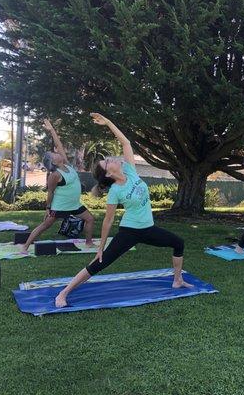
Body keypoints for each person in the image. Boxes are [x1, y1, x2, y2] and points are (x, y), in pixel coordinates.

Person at [55, 113, 191, 308]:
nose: (111, 159)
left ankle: (177, 280)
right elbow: (108, 221)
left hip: (149, 228)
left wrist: (108, 123)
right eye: (107, 162)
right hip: (129, 231)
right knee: (101, 263)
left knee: (178, 243)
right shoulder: (116, 191)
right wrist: (100, 247)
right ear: (109, 173)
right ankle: (64, 292)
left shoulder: (130, 170)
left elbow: (126, 143)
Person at [20, 119, 95, 253]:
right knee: (45, 225)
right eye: (54, 154)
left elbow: (58, 144)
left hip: (75, 204)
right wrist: (48, 208)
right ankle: (25, 246)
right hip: (60, 206)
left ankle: (89, 243)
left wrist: (52, 130)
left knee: (90, 219)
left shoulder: (66, 164)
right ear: (53, 161)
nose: (57, 152)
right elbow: (50, 192)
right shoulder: (55, 175)